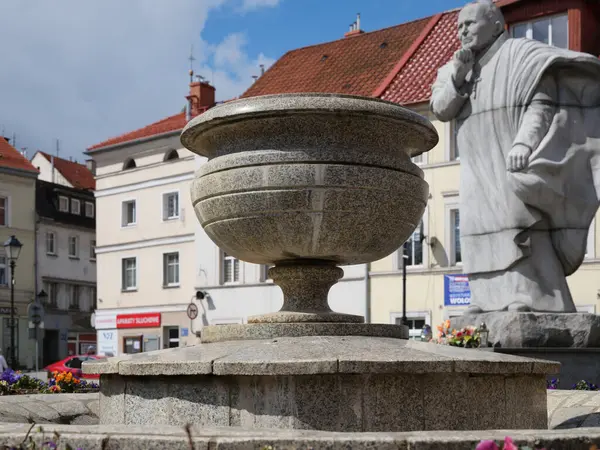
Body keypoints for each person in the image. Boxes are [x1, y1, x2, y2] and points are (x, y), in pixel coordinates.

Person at [430, 0, 600, 313]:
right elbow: (440, 109)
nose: (462, 31)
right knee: (474, 228)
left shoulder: (522, 55)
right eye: (458, 26)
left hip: (508, 158)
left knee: (518, 222)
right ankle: (484, 297)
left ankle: (534, 297)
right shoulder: (454, 68)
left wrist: (524, 143)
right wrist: (458, 76)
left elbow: (542, 103)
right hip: (475, 165)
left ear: (496, 25)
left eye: (470, 23)